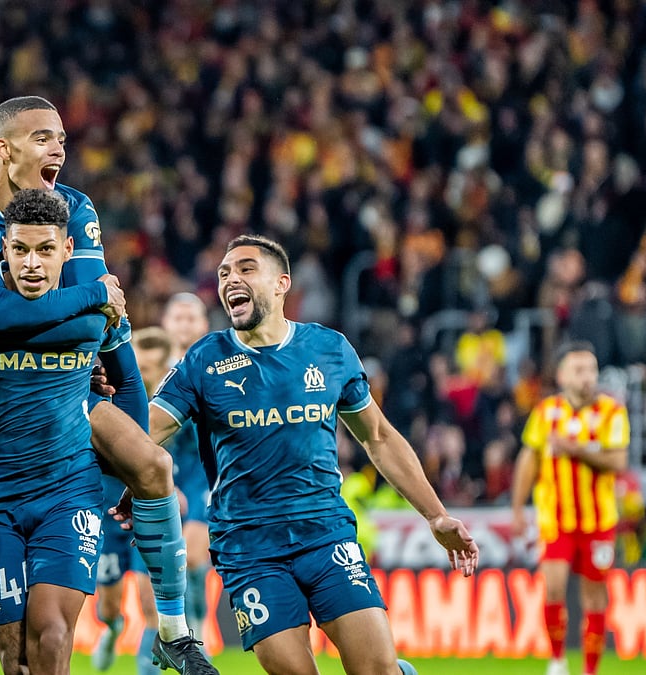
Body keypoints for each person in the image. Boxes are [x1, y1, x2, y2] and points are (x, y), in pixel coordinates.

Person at [0, 96, 206, 673]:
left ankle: (173, 631)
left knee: (152, 467)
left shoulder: (75, 207)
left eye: (61, 137)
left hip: (57, 388)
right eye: (43, 138)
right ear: (3, 148)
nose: (59, 149)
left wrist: (10, 325)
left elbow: (95, 330)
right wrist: (92, 295)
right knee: (13, 650)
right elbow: (8, 307)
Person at [144, 234, 479, 675]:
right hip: (249, 550)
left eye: (245, 269)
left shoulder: (329, 349)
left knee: (375, 669)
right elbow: (146, 432)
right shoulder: (205, 360)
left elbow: (377, 436)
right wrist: (135, 471)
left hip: (326, 535)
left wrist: (436, 515)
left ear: (282, 283)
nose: (230, 280)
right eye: (224, 273)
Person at [0, 188, 113, 674]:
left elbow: (127, 381)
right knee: (14, 657)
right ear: (2, 249)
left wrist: (129, 475)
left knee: (50, 632)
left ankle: (175, 625)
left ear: (68, 250)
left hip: (67, 492)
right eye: (20, 249)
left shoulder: (91, 316)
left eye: (46, 250)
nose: (31, 263)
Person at [511, 341, 629, 675]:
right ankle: (558, 660)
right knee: (554, 589)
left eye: (591, 370)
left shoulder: (612, 411)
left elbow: (618, 461)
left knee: (595, 597)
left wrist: (574, 449)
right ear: (562, 375)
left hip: (599, 521)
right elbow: (528, 461)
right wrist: (518, 509)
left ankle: (590, 669)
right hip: (556, 519)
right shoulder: (546, 412)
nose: (587, 378)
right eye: (579, 370)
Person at [93, 327, 176, 674]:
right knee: (108, 607)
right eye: (138, 367)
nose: (144, 375)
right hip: (107, 509)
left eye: (151, 368)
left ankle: (148, 668)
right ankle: (112, 630)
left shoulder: (173, 407)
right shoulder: (108, 398)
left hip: (148, 509)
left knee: (149, 598)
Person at [159, 294, 214, 637]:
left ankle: (195, 625)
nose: (184, 324)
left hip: (202, 474)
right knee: (171, 561)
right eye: (177, 318)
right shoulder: (149, 367)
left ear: (204, 325)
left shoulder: (216, 368)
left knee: (193, 556)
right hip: (163, 470)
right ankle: (182, 626)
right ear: (165, 324)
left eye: (191, 318)